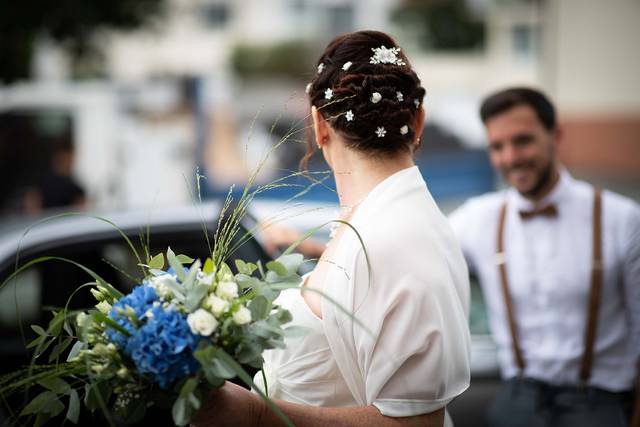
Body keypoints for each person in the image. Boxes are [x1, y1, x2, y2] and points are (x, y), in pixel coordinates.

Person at [191, 31, 471, 427]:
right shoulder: (373, 220)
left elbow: (415, 423)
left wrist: (255, 414)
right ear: (418, 120)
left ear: (319, 124)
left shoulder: (398, 236)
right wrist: (316, 250)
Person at [448, 87, 640, 427]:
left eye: (523, 141)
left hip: (600, 404)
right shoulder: (478, 218)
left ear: (556, 135)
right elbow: (414, 252)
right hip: (517, 401)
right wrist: (327, 249)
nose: (510, 158)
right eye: (497, 147)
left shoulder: (622, 219)